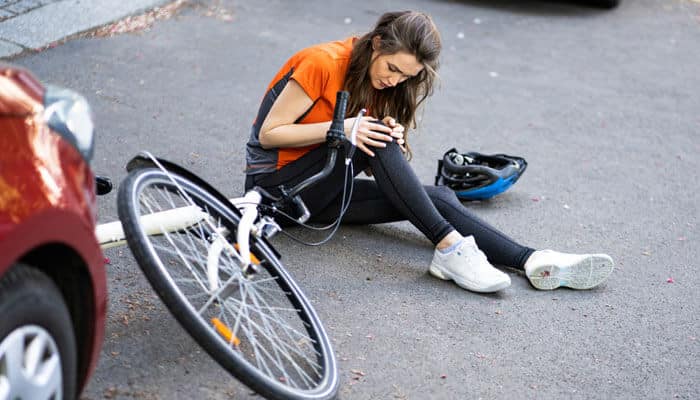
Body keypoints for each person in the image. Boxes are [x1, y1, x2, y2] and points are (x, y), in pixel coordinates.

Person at [244, 11, 614, 293]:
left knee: (437, 196)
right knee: (370, 139)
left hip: (323, 195)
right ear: (376, 43)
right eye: (392, 68)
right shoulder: (322, 62)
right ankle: (450, 247)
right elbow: (270, 134)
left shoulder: (379, 81)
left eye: (405, 77)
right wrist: (347, 130)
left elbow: (370, 162)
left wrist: (391, 136)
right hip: (275, 193)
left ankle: (532, 259)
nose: (394, 81)